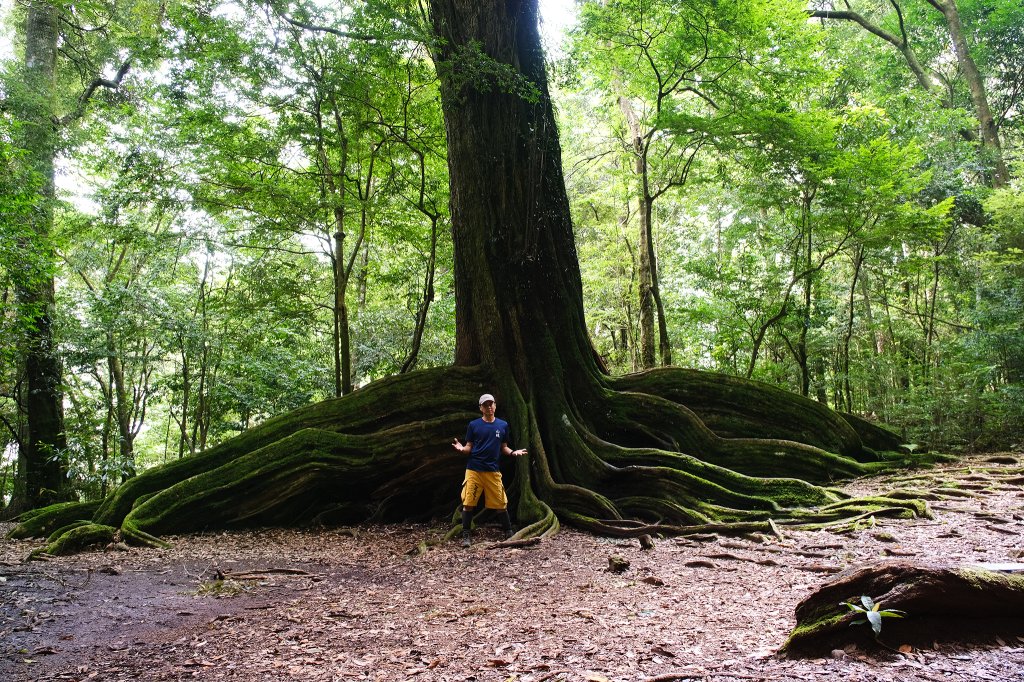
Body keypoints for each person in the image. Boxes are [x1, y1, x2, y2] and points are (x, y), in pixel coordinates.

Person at [452, 393, 527, 547]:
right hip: (474, 470)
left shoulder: (502, 425)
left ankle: (509, 532)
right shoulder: (474, 425)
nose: (489, 407)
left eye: (491, 404)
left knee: (501, 503)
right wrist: (461, 449)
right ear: (481, 408)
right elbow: (468, 447)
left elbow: (504, 447)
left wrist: (513, 453)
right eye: (485, 405)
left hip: (492, 471)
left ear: (495, 405)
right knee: (468, 503)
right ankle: (466, 535)